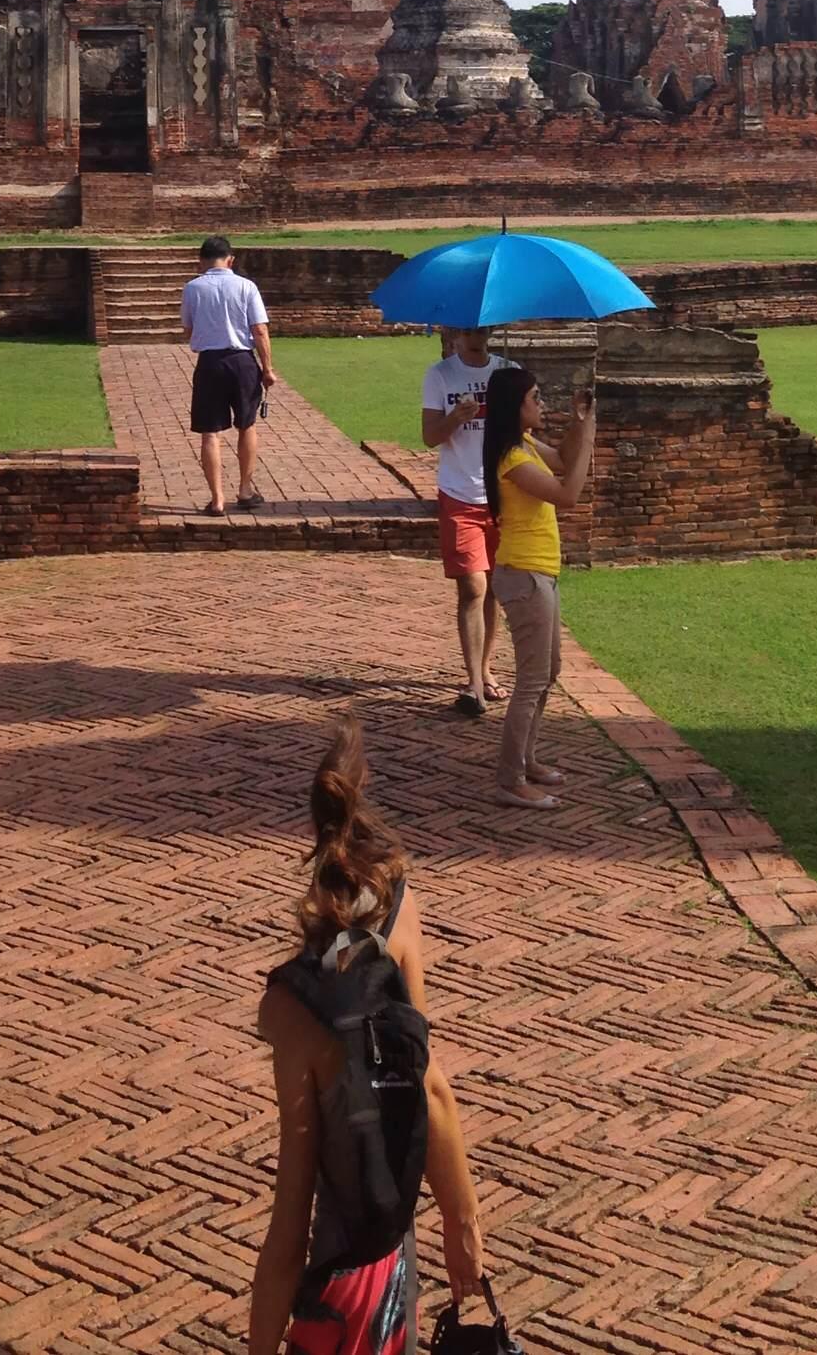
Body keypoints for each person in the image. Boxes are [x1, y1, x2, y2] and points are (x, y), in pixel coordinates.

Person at [249, 724, 498, 1355]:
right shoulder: (401, 909)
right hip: (395, 1245)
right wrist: (461, 1220)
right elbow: (430, 1083)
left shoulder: (293, 1007)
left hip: (340, 1269)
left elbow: (287, 1232)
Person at [468, 358, 584, 806]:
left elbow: (566, 459)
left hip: (541, 573)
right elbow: (568, 494)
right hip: (524, 576)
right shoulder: (512, 458)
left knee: (548, 671)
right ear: (515, 406)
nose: (541, 404)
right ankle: (509, 779)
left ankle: (527, 760)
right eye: (534, 398)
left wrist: (580, 421)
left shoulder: (526, 444)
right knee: (532, 680)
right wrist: (590, 432)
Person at [420, 324, 508, 717]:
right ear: (455, 334)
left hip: (503, 495)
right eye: (469, 330)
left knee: (494, 588)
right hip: (459, 493)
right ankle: (472, 682)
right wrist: (455, 417)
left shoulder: (508, 372)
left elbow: (524, 431)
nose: (476, 336)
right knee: (472, 586)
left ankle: (486, 669)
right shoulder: (440, 376)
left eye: (482, 329)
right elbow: (429, 436)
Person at [179, 239, 281, 501]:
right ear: (230, 260)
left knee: (210, 432)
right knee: (246, 425)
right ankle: (245, 490)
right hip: (242, 362)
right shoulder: (246, 286)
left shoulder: (192, 288)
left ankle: (217, 498)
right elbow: (259, 330)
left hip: (210, 363)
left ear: (200, 261)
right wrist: (267, 368)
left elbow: (188, 330)